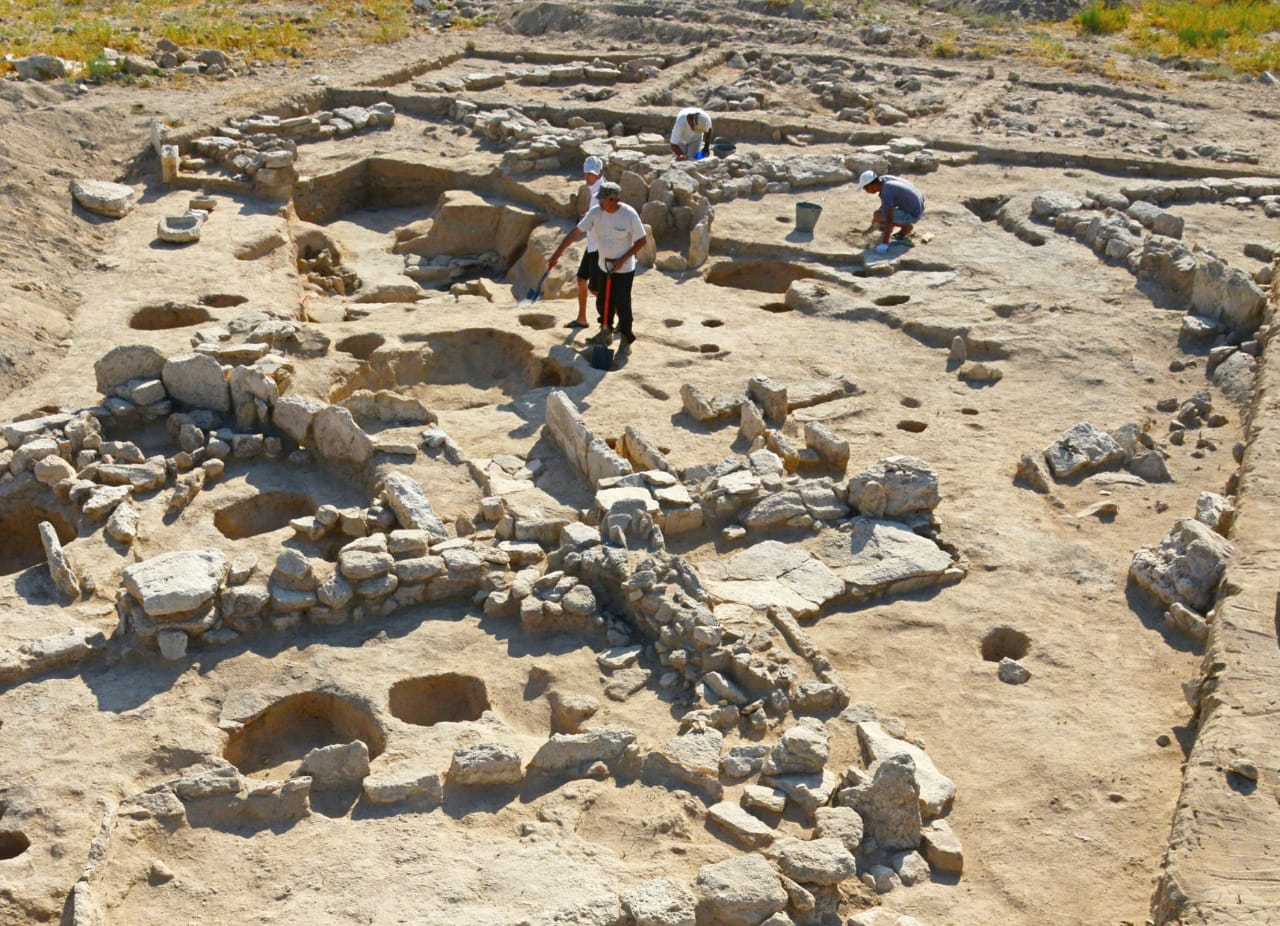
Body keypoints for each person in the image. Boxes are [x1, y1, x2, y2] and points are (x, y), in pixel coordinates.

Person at [547, 181, 649, 348]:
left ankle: (626, 338)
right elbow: (576, 232)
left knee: (622, 303)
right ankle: (605, 332)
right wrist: (557, 253)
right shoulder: (596, 213)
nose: (599, 202)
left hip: (623, 269)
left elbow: (641, 241)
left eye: (603, 199)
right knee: (603, 302)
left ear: (613, 199)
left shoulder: (629, 214)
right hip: (603, 266)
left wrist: (621, 260)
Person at [567, 155, 605, 329]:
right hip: (592, 244)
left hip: (599, 247)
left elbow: (602, 219)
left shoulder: (600, 192)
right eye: (587, 173)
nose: (588, 177)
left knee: (597, 290)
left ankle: (615, 322)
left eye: (592, 174)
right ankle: (582, 318)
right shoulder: (595, 190)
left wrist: (585, 222)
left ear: (600, 173)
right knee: (582, 279)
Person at [857, 170, 925, 254]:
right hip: (918, 204)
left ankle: (906, 228)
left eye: (865, 188)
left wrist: (885, 243)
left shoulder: (886, 192)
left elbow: (889, 218)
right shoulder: (884, 179)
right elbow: (886, 205)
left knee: (878, 216)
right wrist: (874, 224)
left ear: (872, 185)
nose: (865, 191)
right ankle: (891, 225)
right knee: (880, 215)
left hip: (913, 213)